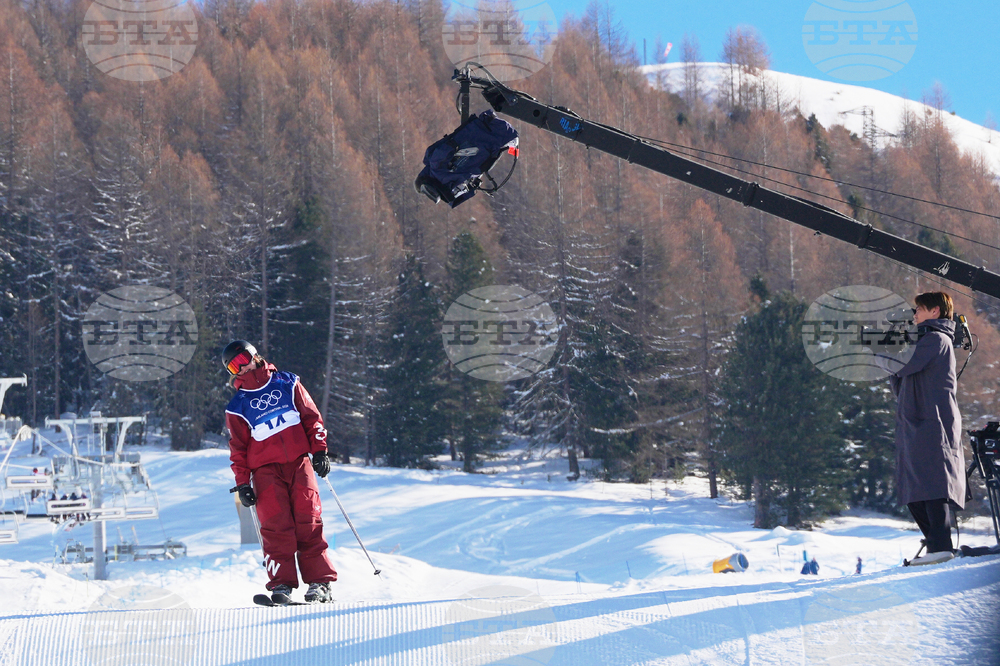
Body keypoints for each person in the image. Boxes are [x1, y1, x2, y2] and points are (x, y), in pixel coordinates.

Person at [223, 339, 338, 603]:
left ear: (254, 356)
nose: (240, 369)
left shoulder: (287, 383)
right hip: (264, 473)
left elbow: (312, 417)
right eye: (232, 368)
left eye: (241, 361)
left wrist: (319, 451)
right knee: (276, 528)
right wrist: (243, 484)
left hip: (298, 463)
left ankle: (320, 583)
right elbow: (238, 449)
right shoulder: (237, 406)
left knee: (308, 521)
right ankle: (281, 586)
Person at [873, 292, 965, 565]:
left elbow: (901, 365)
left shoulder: (935, 339)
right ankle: (936, 546)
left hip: (932, 423)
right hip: (917, 423)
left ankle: (940, 546)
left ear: (934, 311)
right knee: (915, 488)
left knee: (932, 484)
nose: (914, 315)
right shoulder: (925, 341)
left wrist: (883, 352)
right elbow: (900, 384)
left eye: (919, 309)